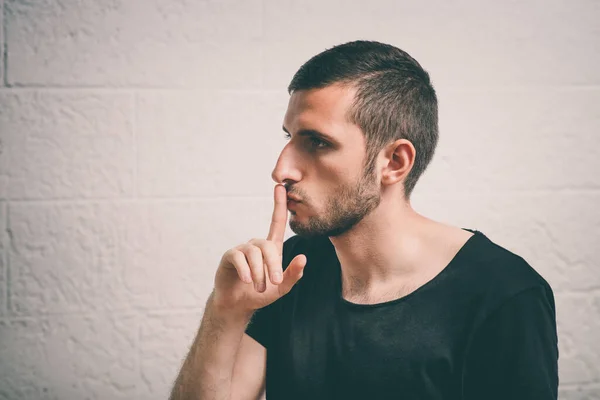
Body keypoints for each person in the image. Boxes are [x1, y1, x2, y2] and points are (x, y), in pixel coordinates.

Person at [169, 40, 559, 400]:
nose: (281, 169)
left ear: (394, 162)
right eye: (288, 137)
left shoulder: (504, 295)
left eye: (317, 142)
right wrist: (226, 311)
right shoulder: (290, 270)